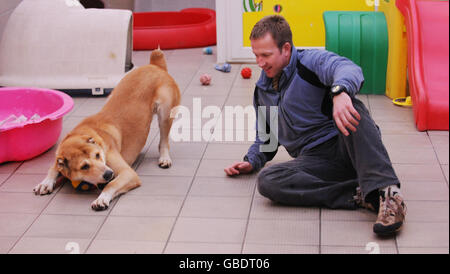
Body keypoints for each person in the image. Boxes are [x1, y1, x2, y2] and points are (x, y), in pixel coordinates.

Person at [224, 15, 406, 236]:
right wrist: (251, 161)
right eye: (255, 55)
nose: (260, 63)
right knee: (268, 180)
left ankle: (389, 194)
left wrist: (340, 92)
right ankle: (361, 194)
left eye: (265, 55)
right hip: (315, 161)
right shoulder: (264, 90)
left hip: (347, 144)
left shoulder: (310, 62)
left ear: (286, 49)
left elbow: (348, 68)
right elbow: (268, 141)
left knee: (353, 107)